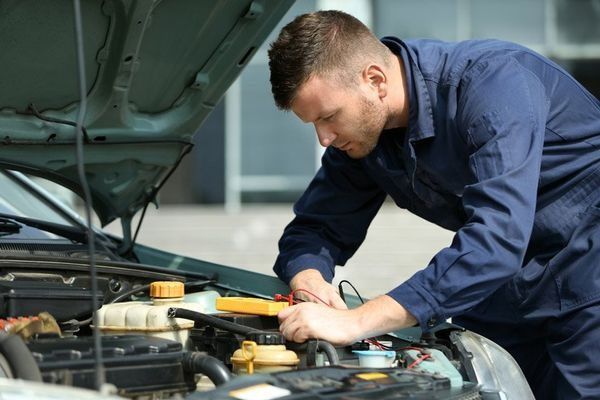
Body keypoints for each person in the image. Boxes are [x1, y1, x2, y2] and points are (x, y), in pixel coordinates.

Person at [267, 9, 600, 399]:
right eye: (313, 125)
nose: (324, 138)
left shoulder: (493, 85)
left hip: (587, 274)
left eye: (329, 117)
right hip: (505, 287)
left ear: (374, 80)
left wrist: (357, 321)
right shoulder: (363, 136)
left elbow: (497, 240)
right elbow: (315, 228)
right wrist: (308, 279)